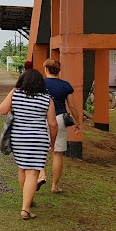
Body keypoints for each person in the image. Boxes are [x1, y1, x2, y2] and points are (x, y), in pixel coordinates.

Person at [0, 69, 57, 220]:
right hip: (38, 140)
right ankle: (25, 209)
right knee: (33, 172)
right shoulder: (47, 99)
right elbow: (52, 124)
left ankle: (28, 200)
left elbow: (2, 110)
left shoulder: (15, 93)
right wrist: (53, 141)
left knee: (23, 168)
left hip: (18, 138)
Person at [38, 58, 82, 193]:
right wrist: (78, 122)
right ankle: (55, 186)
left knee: (40, 150)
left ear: (46, 69)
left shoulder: (39, 84)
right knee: (57, 153)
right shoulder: (65, 85)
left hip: (41, 118)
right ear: (58, 70)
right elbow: (72, 106)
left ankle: (41, 175)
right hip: (59, 119)